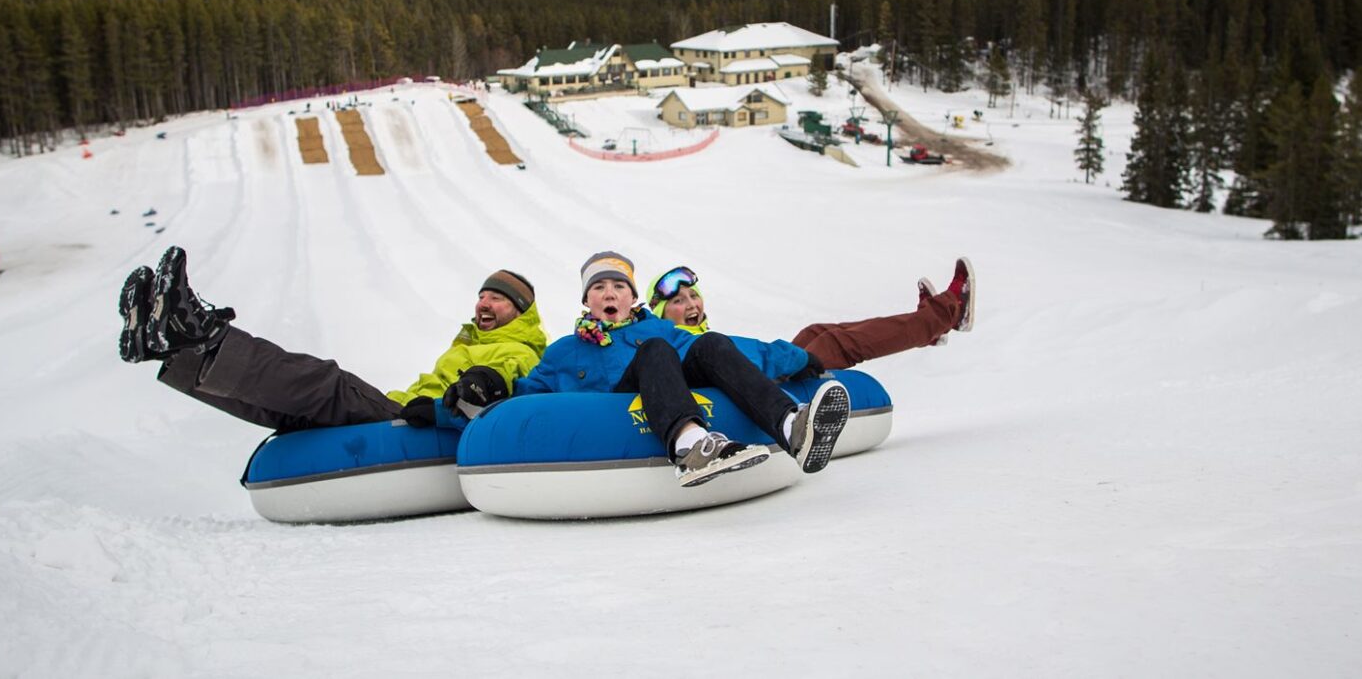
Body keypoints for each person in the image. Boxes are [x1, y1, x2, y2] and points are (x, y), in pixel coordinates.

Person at [510, 252, 850, 488]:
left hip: (666, 391)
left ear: (632, 298)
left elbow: (730, 353)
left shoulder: (659, 330)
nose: (609, 293)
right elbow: (526, 397)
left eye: (619, 286)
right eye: (599, 288)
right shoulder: (564, 352)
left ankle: (793, 428)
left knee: (710, 342)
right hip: (615, 412)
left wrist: (797, 358)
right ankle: (691, 448)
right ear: (587, 301)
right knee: (655, 351)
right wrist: (492, 383)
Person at [117, 246, 547, 432]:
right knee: (295, 411)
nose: (485, 304)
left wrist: (485, 379)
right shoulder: (465, 343)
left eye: (498, 299)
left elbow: (511, 377)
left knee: (327, 385)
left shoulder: (521, 350)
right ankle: (174, 349)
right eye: (482, 296)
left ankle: (201, 334)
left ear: (521, 311)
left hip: (427, 422)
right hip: (412, 409)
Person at [646, 258, 974, 370]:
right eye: (677, 301)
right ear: (660, 314)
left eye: (693, 295)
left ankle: (926, 329)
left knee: (815, 331)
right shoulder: (672, 342)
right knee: (838, 343)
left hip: (766, 372)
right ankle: (949, 311)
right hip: (765, 386)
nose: (690, 304)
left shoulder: (695, 335)